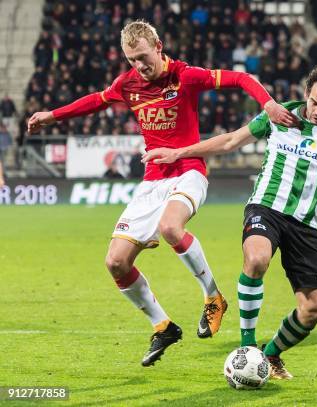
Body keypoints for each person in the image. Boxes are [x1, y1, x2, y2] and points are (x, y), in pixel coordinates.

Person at [27, 20, 299, 367]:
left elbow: (242, 78)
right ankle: (163, 325)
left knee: (171, 227)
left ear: (158, 45)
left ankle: (213, 296)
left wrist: (269, 104)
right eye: (131, 60)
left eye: (142, 57)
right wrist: (53, 115)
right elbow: (96, 101)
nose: (139, 66)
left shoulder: (185, 76)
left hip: (189, 171)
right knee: (115, 262)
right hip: (152, 181)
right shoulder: (129, 84)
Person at [142, 64, 317, 379]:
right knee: (256, 258)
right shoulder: (280, 116)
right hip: (265, 208)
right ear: (306, 93)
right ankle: (247, 349)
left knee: (314, 309)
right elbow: (229, 142)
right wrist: (179, 153)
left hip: (306, 226)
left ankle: (270, 355)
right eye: (315, 102)